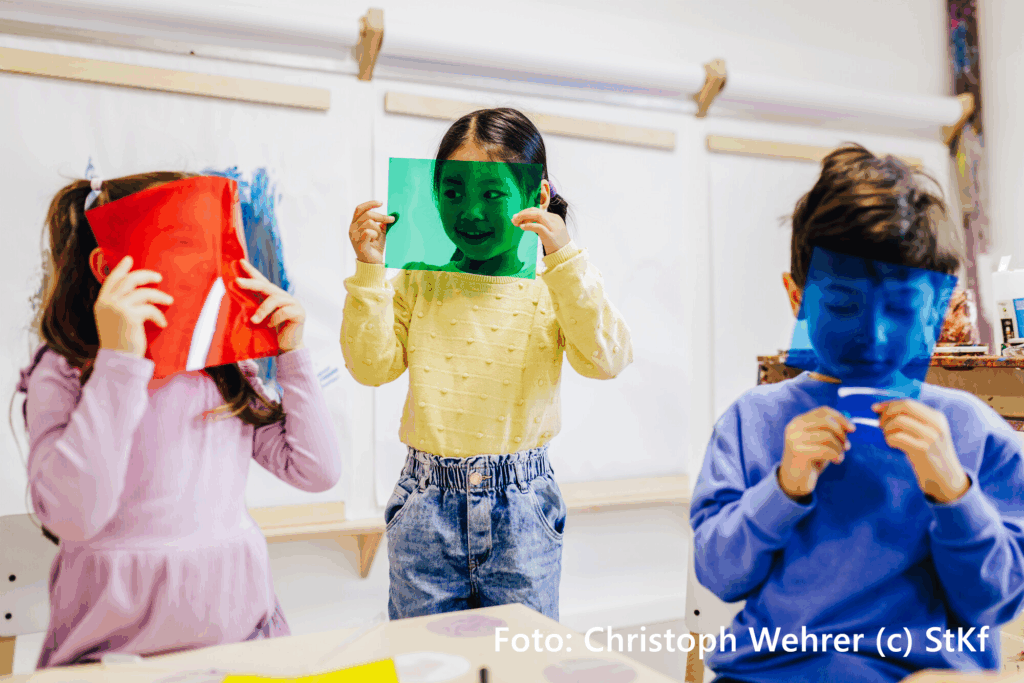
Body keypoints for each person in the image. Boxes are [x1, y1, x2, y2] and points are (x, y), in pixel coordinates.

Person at [690, 145, 1024, 682]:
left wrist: (953, 491)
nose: (873, 335)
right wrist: (782, 489)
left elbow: (996, 601)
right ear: (797, 298)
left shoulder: (971, 430)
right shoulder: (753, 420)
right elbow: (720, 575)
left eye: (901, 308)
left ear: (937, 309)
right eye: (843, 305)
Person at [18, 172, 342, 668]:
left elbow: (317, 471)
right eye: (182, 249)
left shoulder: (222, 366)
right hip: (111, 656)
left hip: (242, 642)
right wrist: (120, 363)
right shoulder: (63, 369)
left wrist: (292, 353)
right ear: (107, 267)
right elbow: (74, 514)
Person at [342, 107, 633, 620]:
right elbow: (371, 367)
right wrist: (369, 271)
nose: (470, 212)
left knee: (523, 654)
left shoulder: (555, 284)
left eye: (493, 194)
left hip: (521, 505)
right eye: (452, 192)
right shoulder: (420, 280)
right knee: (424, 657)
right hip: (426, 502)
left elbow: (606, 359)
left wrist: (565, 258)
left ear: (536, 197)